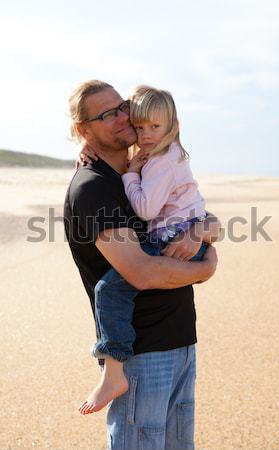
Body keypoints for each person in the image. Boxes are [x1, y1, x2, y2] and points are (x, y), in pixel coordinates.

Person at [64, 80, 219, 450]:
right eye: (106, 115)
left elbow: (199, 213)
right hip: (142, 354)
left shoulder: (147, 166)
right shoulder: (94, 187)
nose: (121, 118)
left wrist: (202, 230)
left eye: (122, 107)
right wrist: (205, 268)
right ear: (83, 131)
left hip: (181, 343)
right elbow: (142, 272)